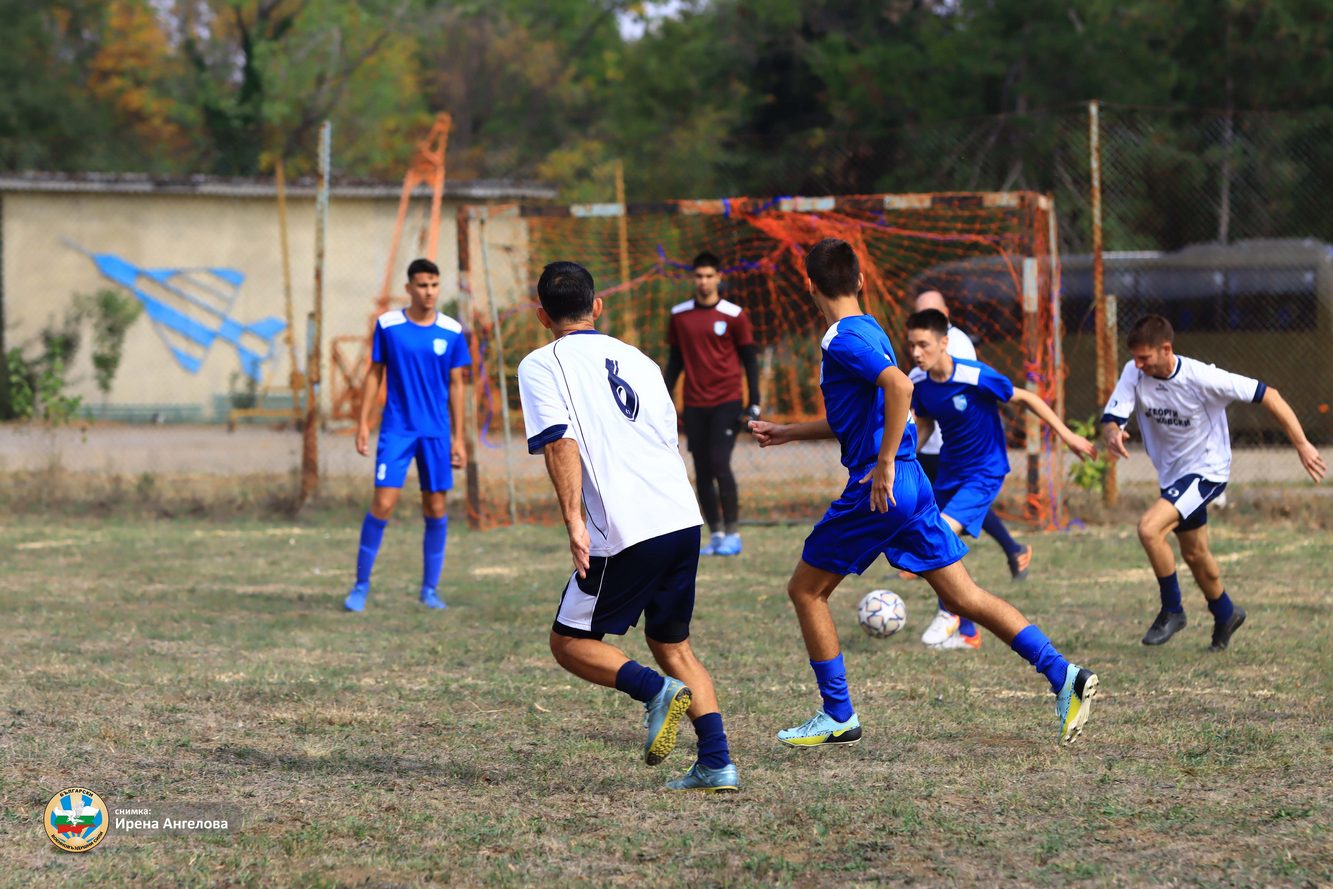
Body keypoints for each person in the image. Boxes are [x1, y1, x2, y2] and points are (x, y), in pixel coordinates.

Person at [749, 238, 1098, 748]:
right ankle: (1064, 674)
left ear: (808, 285)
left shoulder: (841, 338)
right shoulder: (870, 330)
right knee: (964, 597)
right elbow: (861, 413)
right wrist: (790, 431)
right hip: (912, 483)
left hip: (879, 486)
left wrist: (884, 463)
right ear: (861, 282)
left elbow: (900, 389)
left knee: (806, 590)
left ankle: (837, 713)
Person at [517, 260, 739, 792]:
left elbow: (559, 441)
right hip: (683, 519)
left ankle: (654, 692)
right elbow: (666, 435)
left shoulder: (540, 364)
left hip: (625, 528)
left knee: (569, 642)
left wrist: (574, 520)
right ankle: (716, 762)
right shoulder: (638, 359)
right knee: (674, 645)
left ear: (542, 315)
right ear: (597, 307)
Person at [1101, 315, 1325, 650]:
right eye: (1135, 357)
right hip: (1174, 476)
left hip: (1207, 472)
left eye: (1145, 357)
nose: (1138, 364)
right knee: (1195, 554)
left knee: (1149, 529)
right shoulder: (1134, 372)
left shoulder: (1202, 377)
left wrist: (1302, 444)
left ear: (1166, 349)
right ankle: (1225, 612)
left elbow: (1270, 395)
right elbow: (1111, 418)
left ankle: (1172, 610)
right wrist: (1113, 434)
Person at [907, 308, 1097, 649]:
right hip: (950, 470)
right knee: (939, 542)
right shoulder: (919, 384)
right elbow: (925, 425)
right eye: (912, 346)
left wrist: (1067, 436)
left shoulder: (974, 376)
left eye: (923, 345)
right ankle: (967, 633)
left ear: (944, 342)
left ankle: (950, 613)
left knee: (936, 535)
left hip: (985, 470)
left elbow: (1026, 398)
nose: (916, 353)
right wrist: (900, 458)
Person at [344, 258, 470, 612]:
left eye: (433, 284)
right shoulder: (389, 325)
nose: (428, 292)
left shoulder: (452, 331)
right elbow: (374, 374)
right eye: (422, 285)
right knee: (383, 504)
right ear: (408, 288)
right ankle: (360, 586)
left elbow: (458, 386)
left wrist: (459, 438)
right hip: (397, 430)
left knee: (436, 506)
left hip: (436, 433)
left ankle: (430, 590)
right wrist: (363, 424)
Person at [905, 291, 1033, 586]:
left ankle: (953, 606)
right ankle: (1010, 552)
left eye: (932, 311)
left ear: (945, 315)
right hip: (939, 448)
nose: (917, 351)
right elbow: (925, 408)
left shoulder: (959, 348)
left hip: (965, 452)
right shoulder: (918, 371)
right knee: (938, 518)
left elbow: (967, 389)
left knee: (947, 523)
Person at [665, 251, 761, 556]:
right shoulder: (679, 316)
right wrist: (665, 400)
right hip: (695, 404)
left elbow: (749, 361)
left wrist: (754, 403)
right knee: (703, 470)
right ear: (693, 278)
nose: (704, 281)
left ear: (719, 277)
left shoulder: (734, 315)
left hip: (727, 402)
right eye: (699, 276)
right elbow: (675, 362)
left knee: (720, 462)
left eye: (709, 276)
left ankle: (733, 533)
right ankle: (717, 535)